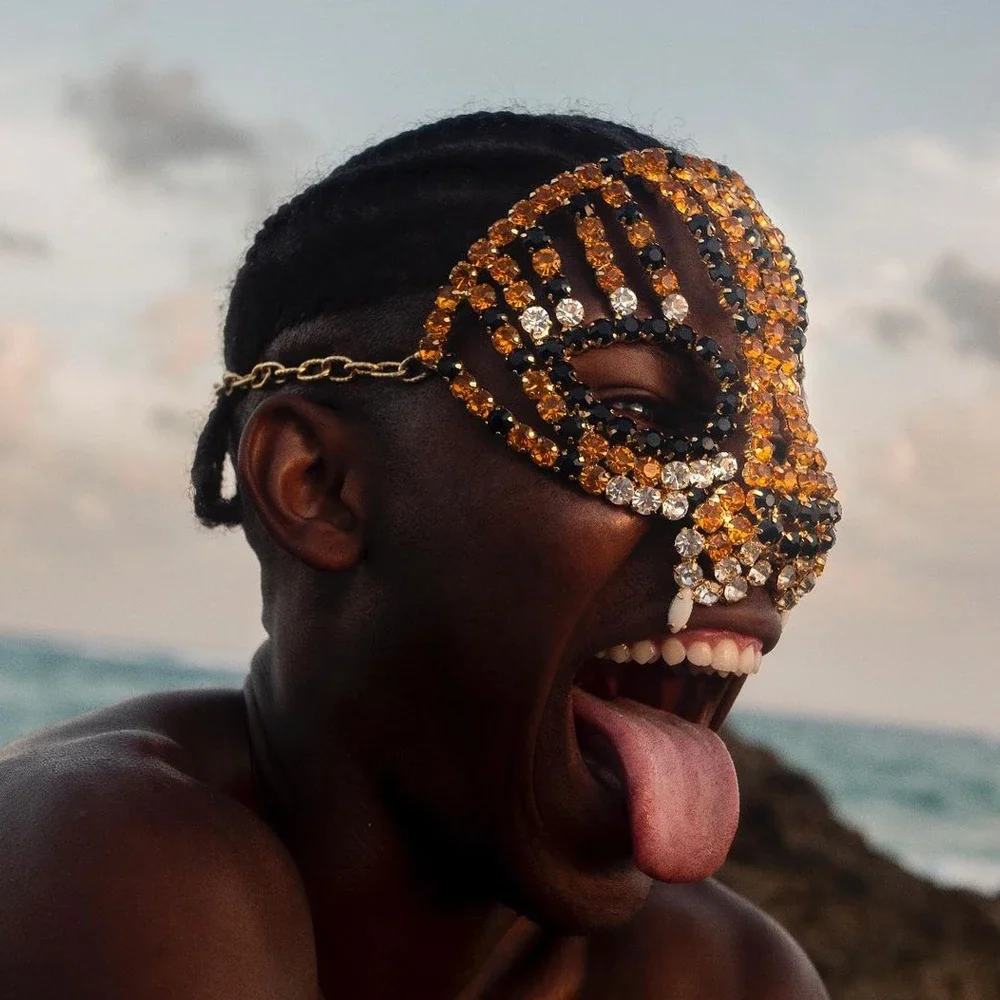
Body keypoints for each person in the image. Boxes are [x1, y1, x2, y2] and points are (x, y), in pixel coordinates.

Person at [0, 111, 837, 998]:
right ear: (316, 482)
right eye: (631, 415)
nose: (769, 529)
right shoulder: (110, 855)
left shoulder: (726, 974)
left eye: (780, 446)